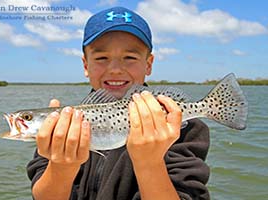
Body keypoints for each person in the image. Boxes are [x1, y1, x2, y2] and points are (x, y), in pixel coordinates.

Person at [27, 6, 210, 200]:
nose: (115, 69)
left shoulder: (186, 128)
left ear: (148, 64)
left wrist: (149, 163)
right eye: (102, 58)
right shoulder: (65, 126)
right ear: (85, 65)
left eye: (130, 57)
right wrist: (62, 166)